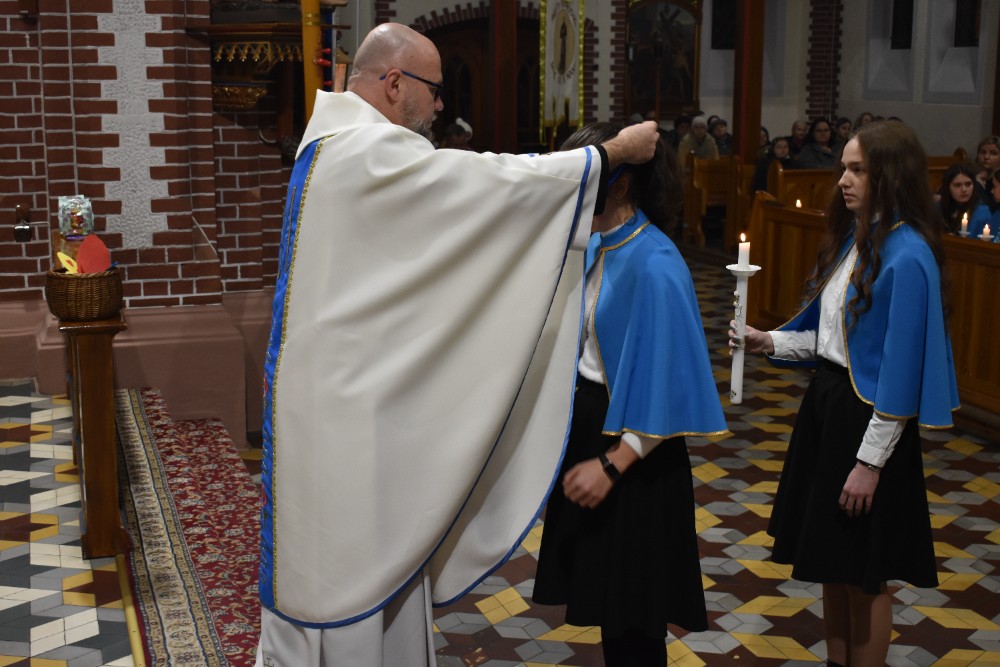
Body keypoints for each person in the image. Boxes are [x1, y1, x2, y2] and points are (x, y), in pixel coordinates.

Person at [255, 23, 660, 667]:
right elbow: (489, 183)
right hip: (347, 417)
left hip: (346, 398)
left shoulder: (339, 145)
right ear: (395, 83)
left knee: (375, 553)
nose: (441, 105)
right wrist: (611, 153)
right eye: (435, 89)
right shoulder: (366, 151)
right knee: (350, 564)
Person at [731, 120, 959, 666]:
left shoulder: (908, 255)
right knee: (832, 565)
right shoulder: (861, 240)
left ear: (890, 175)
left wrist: (870, 463)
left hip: (869, 424)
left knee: (864, 573)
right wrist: (769, 341)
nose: (843, 181)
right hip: (829, 411)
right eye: (843, 169)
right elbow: (833, 341)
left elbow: (899, 375)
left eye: (858, 170)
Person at [533, 122, 728, 666]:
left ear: (618, 185)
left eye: (584, 177)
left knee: (635, 622)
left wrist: (613, 464)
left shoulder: (657, 264)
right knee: (608, 606)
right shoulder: (599, 244)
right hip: (595, 433)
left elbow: (669, 388)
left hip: (637, 458)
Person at [936, 163, 991, 236]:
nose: (964, 190)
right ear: (947, 187)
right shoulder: (937, 207)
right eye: (958, 185)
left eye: (968, 184)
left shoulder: (982, 211)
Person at [974, 134, 1000, 209]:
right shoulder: (971, 174)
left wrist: (978, 185)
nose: (986, 157)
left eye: (993, 153)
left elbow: (991, 208)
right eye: (983, 152)